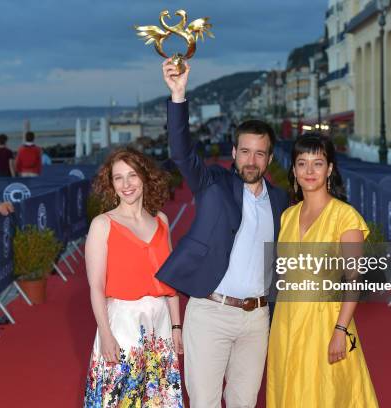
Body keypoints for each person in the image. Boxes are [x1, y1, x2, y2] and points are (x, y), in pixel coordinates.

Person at [156, 59, 290, 407]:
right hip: (211, 313)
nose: (251, 160)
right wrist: (178, 95)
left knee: (244, 403)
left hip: (257, 319)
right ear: (233, 153)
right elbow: (182, 153)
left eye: (259, 154)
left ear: (269, 158)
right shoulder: (213, 183)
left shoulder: (280, 200)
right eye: (244, 151)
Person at [266, 134, 378, 408]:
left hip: (326, 324)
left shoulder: (345, 216)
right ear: (293, 170)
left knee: (326, 395)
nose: (309, 171)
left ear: (329, 169)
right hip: (286, 322)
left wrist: (341, 330)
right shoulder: (288, 216)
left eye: (318, 163)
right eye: (302, 163)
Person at [84, 147, 183, 407]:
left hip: (160, 323)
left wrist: (176, 326)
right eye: (118, 178)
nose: (126, 184)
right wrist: (105, 334)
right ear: (111, 184)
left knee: (158, 398)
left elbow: (170, 280)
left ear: (144, 177)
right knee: (120, 398)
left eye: (132, 175)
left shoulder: (161, 221)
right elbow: (95, 286)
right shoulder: (102, 224)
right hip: (123, 323)